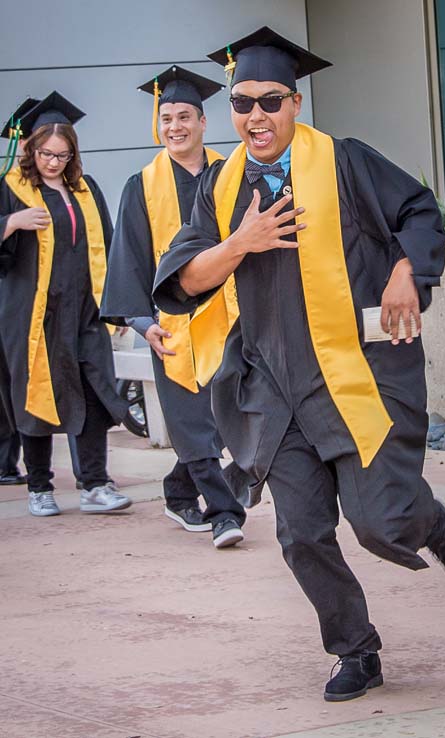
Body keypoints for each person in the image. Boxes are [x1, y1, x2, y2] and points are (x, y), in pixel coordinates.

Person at [152, 27, 445, 701]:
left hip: (355, 374)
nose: (255, 117)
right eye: (242, 104)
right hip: (274, 390)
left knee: (377, 523)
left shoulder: (344, 163)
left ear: (295, 104)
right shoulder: (220, 188)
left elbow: (419, 213)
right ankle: (356, 650)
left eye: (270, 101)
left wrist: (403, 270)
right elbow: (182, 280)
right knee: (301, 535)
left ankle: (429, 524)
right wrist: (239, 243)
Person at [101, 67, 245, 548]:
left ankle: (177, 490)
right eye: (166, 119)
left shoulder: (234, 173)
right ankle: (225, 513)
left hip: (232, 318)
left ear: (203, 122)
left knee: (226, 418)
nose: (175, 127)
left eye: (184, 116)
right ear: (157, 125)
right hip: (174, 322)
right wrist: (143, 324)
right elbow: (129, 260)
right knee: (190, 418)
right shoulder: (140, 186)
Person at [0, 91, 132, 516]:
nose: (53, 162)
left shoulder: (85, 189)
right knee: (36, 397)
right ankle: (40, 486)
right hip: (34, 318)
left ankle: (95, 484)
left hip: (86, 313)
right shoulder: (12, 190)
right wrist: (11, 222)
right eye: (45, 153)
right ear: (31, 148)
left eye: (62, 154)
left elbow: (110, 247)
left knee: (94, 396)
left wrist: (120, 305)